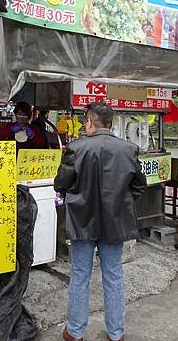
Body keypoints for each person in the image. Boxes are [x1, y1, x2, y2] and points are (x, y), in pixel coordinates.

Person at [54, 102, 146, 341]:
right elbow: (138, 185)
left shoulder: (76, 147)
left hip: (82, 220)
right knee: (114, 275)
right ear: (111, 123)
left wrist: (75, 198)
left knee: (80, 275)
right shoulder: (129, 149)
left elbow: (61, 184)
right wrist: (120, 202)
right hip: (114, 221)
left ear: (89, 122)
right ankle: (116, 333)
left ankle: (75, 332)